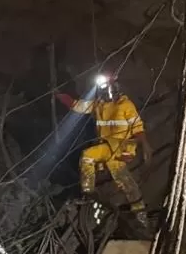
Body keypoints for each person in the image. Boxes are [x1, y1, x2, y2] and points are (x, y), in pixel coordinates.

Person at [56, 74, 150, 212]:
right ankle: (139, 210)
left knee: (88, 155)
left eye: (106, 87)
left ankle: (88, 192)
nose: (104, 91)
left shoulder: (125, 105)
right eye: (102, 88)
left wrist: (145, 145)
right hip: (108, 148)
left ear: (114, 87)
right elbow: (78, 106)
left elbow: (137, 127)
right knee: (124, 179)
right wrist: (59, 96)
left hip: (121, 148)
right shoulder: (99, 105)